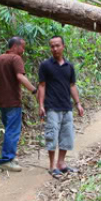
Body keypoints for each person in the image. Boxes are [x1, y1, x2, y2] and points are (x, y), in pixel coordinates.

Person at [0, 37, 38, 172]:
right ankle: (6, 160)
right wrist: (34, 90)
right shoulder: (16, 59)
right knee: (13, 130)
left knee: (9, 128)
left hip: (1, 100)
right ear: (15, 46)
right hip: (13, 100)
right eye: (23, 47)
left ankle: (10, 157)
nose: (23, 50)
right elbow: (20, 77)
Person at [38, 36, 84, 178]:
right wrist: (41, 105)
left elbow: (72, 86)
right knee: (52, 135)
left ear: (63, 46)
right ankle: (52, 166)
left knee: (67, 135)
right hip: (52, 106)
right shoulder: (45, 65)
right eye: (52, 46)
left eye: (57, 45)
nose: (55, 49)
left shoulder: (69, 66)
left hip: (66, 106)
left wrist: (78, 104)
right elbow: (42, 86)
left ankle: (61, 163)